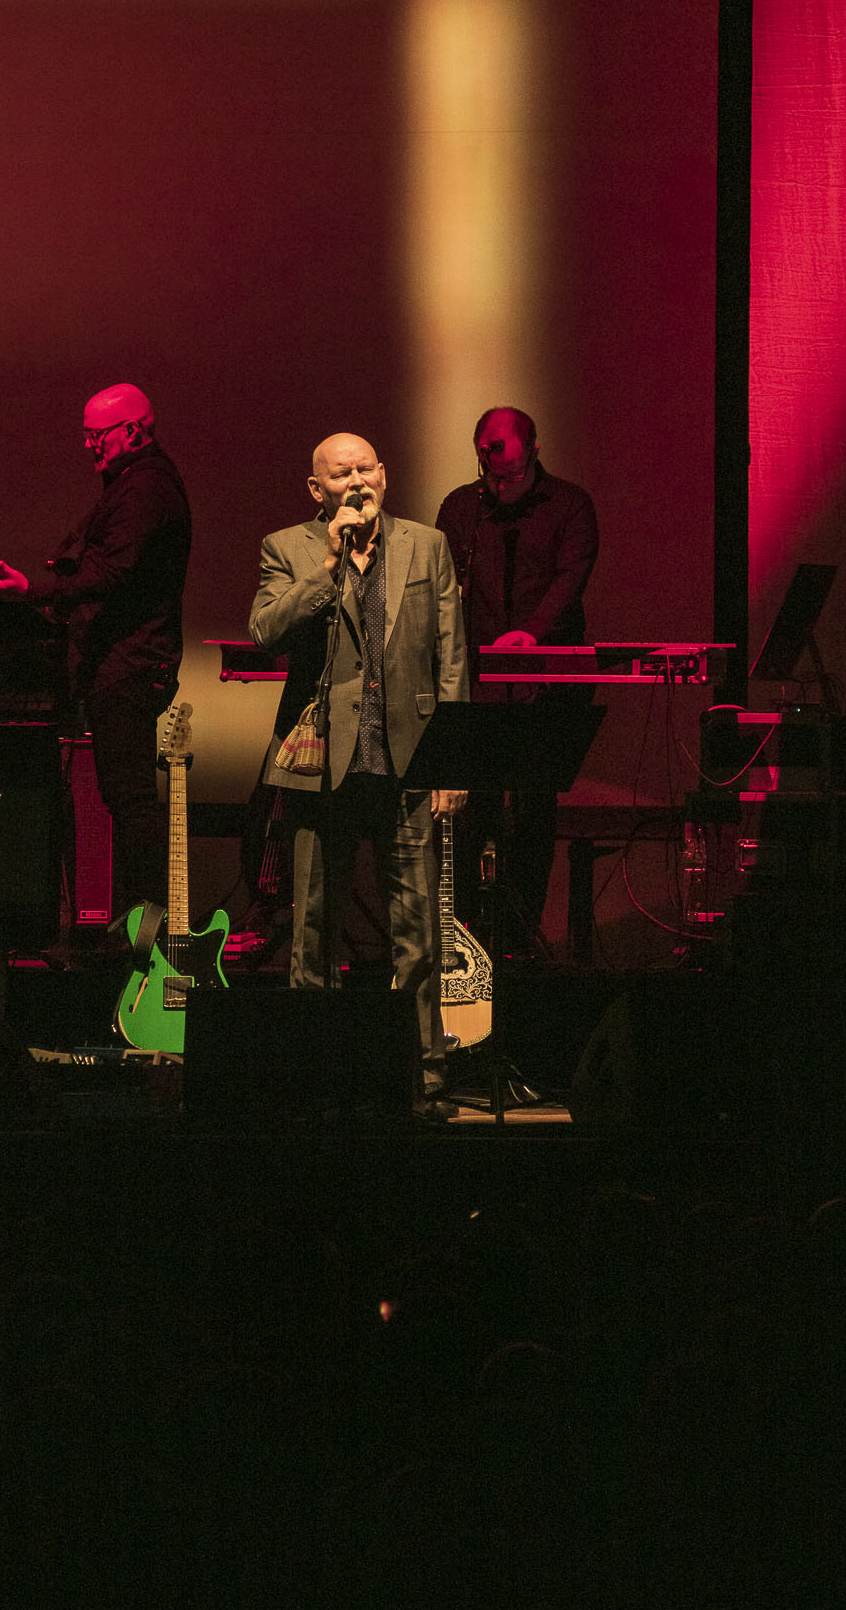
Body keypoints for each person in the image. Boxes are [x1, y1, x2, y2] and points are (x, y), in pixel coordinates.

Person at [250, 432, 468, 1118]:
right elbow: (264, 630)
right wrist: (329, 564)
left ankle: (424, 1075)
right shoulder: (288, 547)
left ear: (385, 473)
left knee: (421, 929)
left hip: (408, 763)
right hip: (323, 770)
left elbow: (452, 655)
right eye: (340, 475)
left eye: (365, 468)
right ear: (317, 491)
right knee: (313, 924)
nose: (356, 481)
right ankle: (315, 1071)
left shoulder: (426, 545)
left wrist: (452, 762)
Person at [0, 383, 191, 915]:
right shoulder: (133, 483)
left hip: (131, 661)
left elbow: (110, 572)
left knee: (129, 798)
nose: (87, 445)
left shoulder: (145, 488)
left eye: (95, 435)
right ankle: (141, 921)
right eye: (84, 435)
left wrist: (33, 589)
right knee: (125, 797)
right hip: (127, 661)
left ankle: (147, 924)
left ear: (131, 431)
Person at [434, 406, 598, 942]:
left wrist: (533, 632)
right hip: (478, 680)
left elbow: (571, 576)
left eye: (501, 447)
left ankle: (523, 928)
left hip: (544, 681)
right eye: (484, 448)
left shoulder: (569, 504)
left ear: (531, 447)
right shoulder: (462, 508)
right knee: (469, 807)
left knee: (532, 806)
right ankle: (462, 931)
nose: (490, 458)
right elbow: (441, 583)